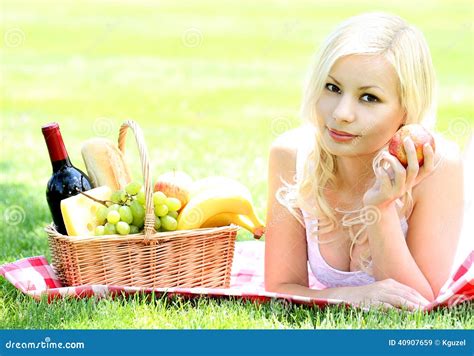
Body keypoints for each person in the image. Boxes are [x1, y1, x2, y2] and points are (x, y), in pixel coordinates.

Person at [264, 12, 464, 311]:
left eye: (369, 98)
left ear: (406, 111)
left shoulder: (436, 167)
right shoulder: (290, 156)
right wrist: (348, 296)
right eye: (332, 88)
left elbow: (416, 303)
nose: (342, 113)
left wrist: (380, 208)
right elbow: (280, 288)